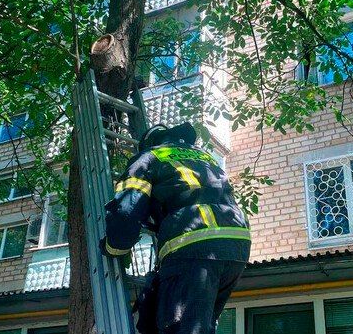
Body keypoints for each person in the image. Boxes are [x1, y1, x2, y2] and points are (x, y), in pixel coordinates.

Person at [100, 122, 251, 334]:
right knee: (201, 325)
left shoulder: (148, 158)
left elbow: (127, 210)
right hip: (236, 247)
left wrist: (113, 246)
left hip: (194, 244)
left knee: (181, 328)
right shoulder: (205, 158)